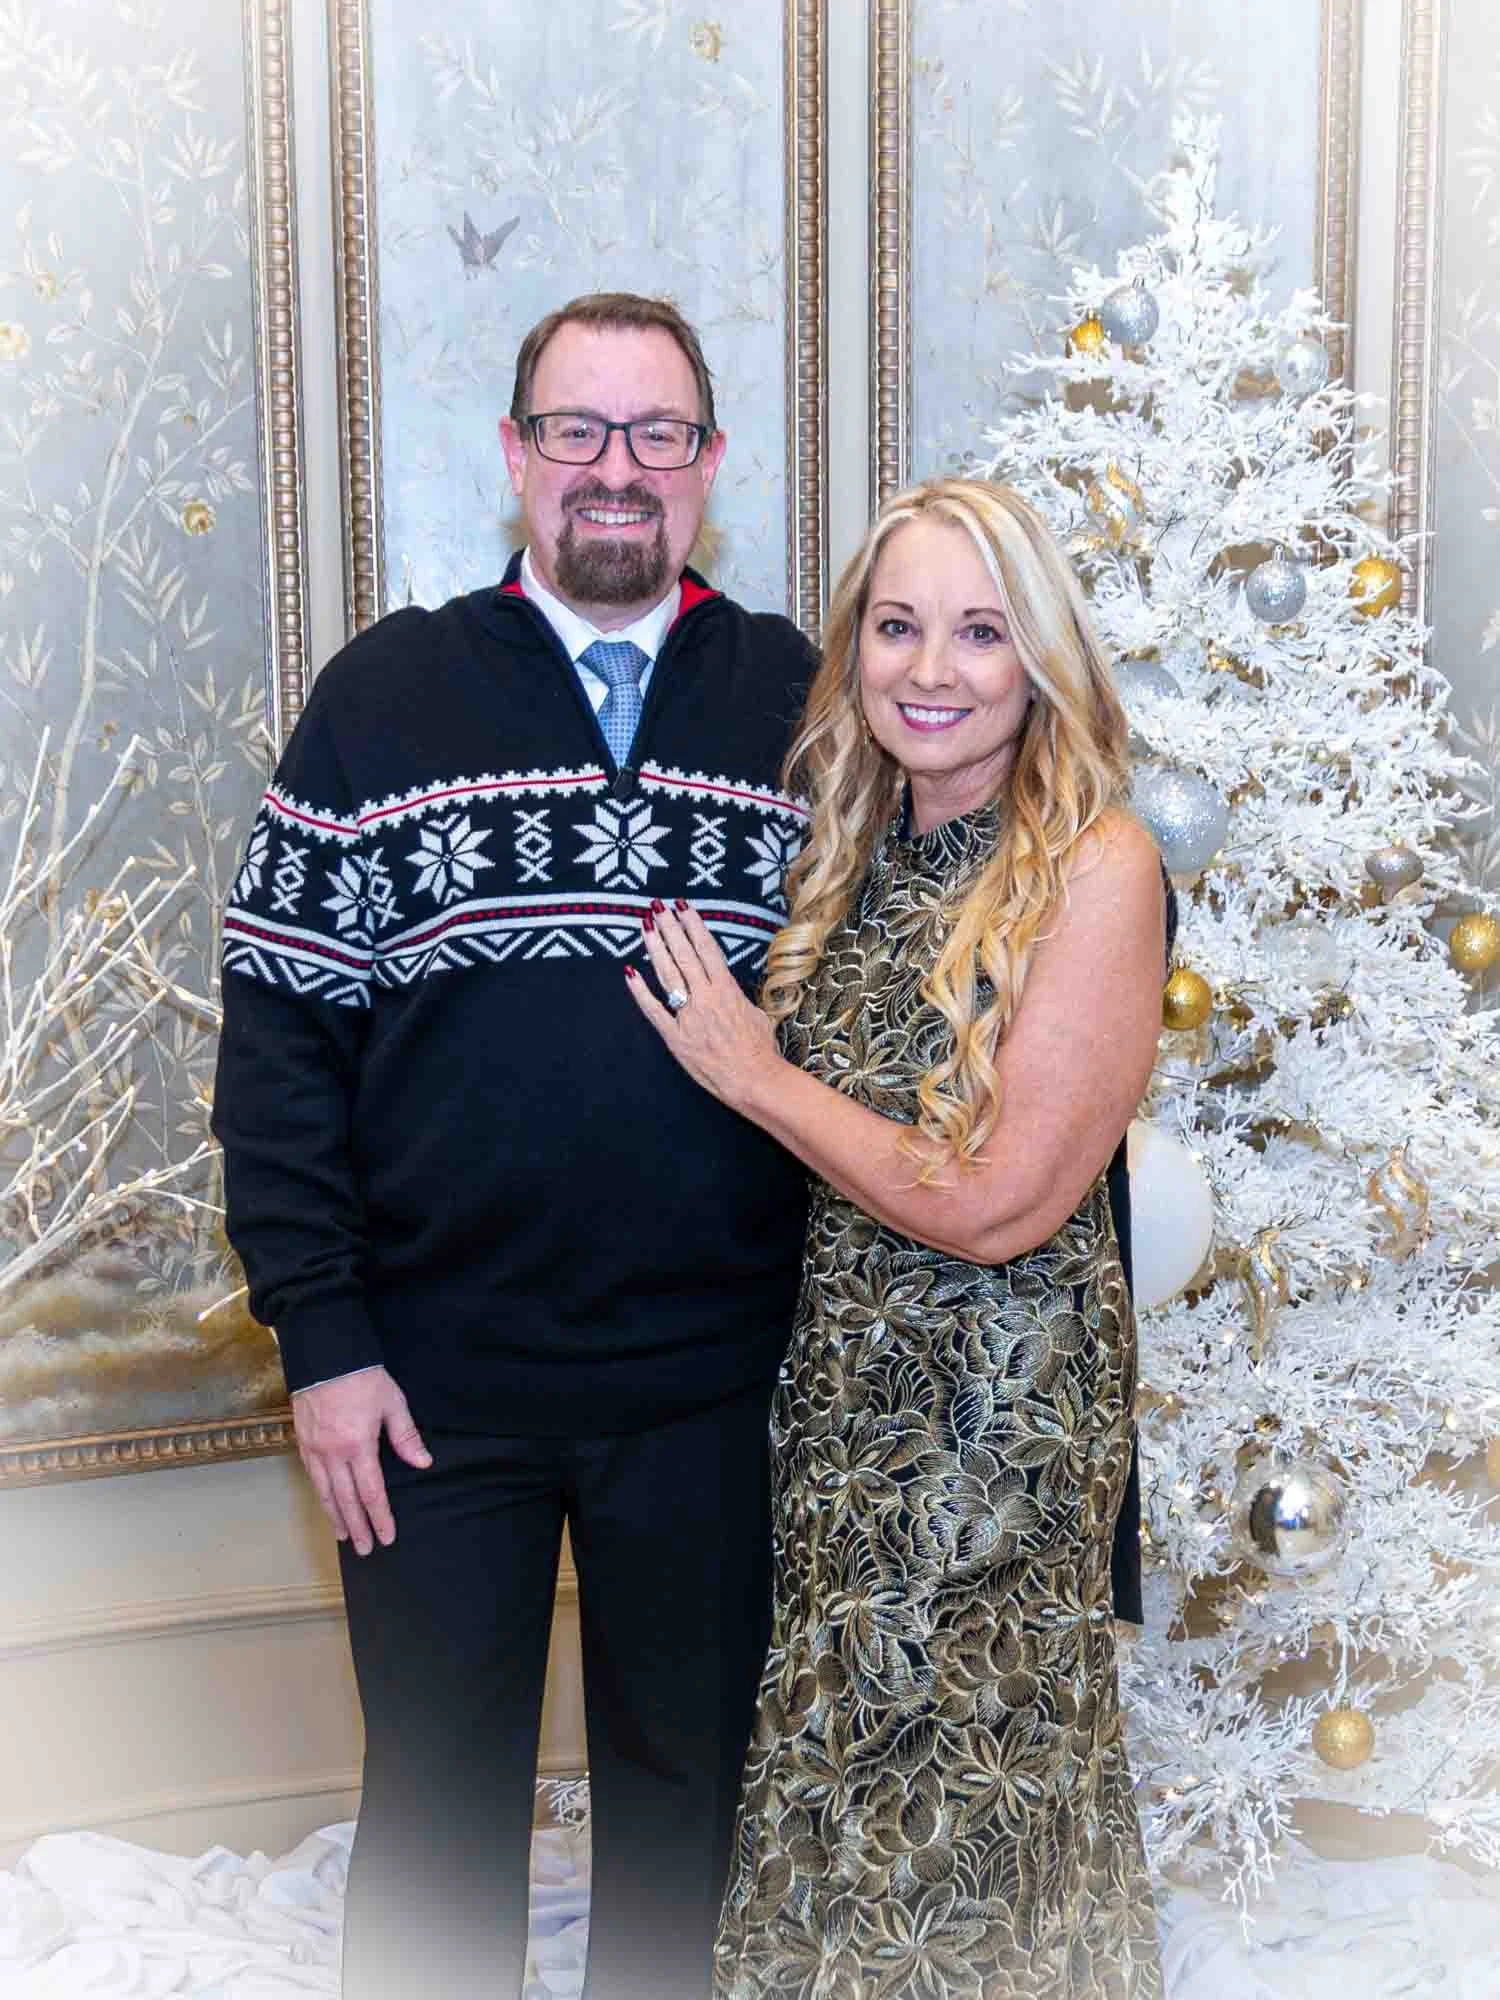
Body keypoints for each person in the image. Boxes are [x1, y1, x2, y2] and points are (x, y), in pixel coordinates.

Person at [211, 293, 816, 2000]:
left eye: (657, 433)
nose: (616, 468)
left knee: (691, 1807)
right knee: (436, 1811)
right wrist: (324, 1341)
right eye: (577, 429)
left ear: (708, 463)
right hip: (427, 1389)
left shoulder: (797, 701)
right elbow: (279, 1034)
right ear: (515, 454)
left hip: (711, 1383)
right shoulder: (386, 698)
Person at [627, 476, 1170, 1997]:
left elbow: (1002, 1201)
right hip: (841, 1421)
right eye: (897, 626)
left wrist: (755, 1074)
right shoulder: (851, 853)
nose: (931, 670)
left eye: (981, 633)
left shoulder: (1098, 865)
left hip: (995, 1431)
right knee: (831, 1784)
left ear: (1041, 659)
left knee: (951, 1822)